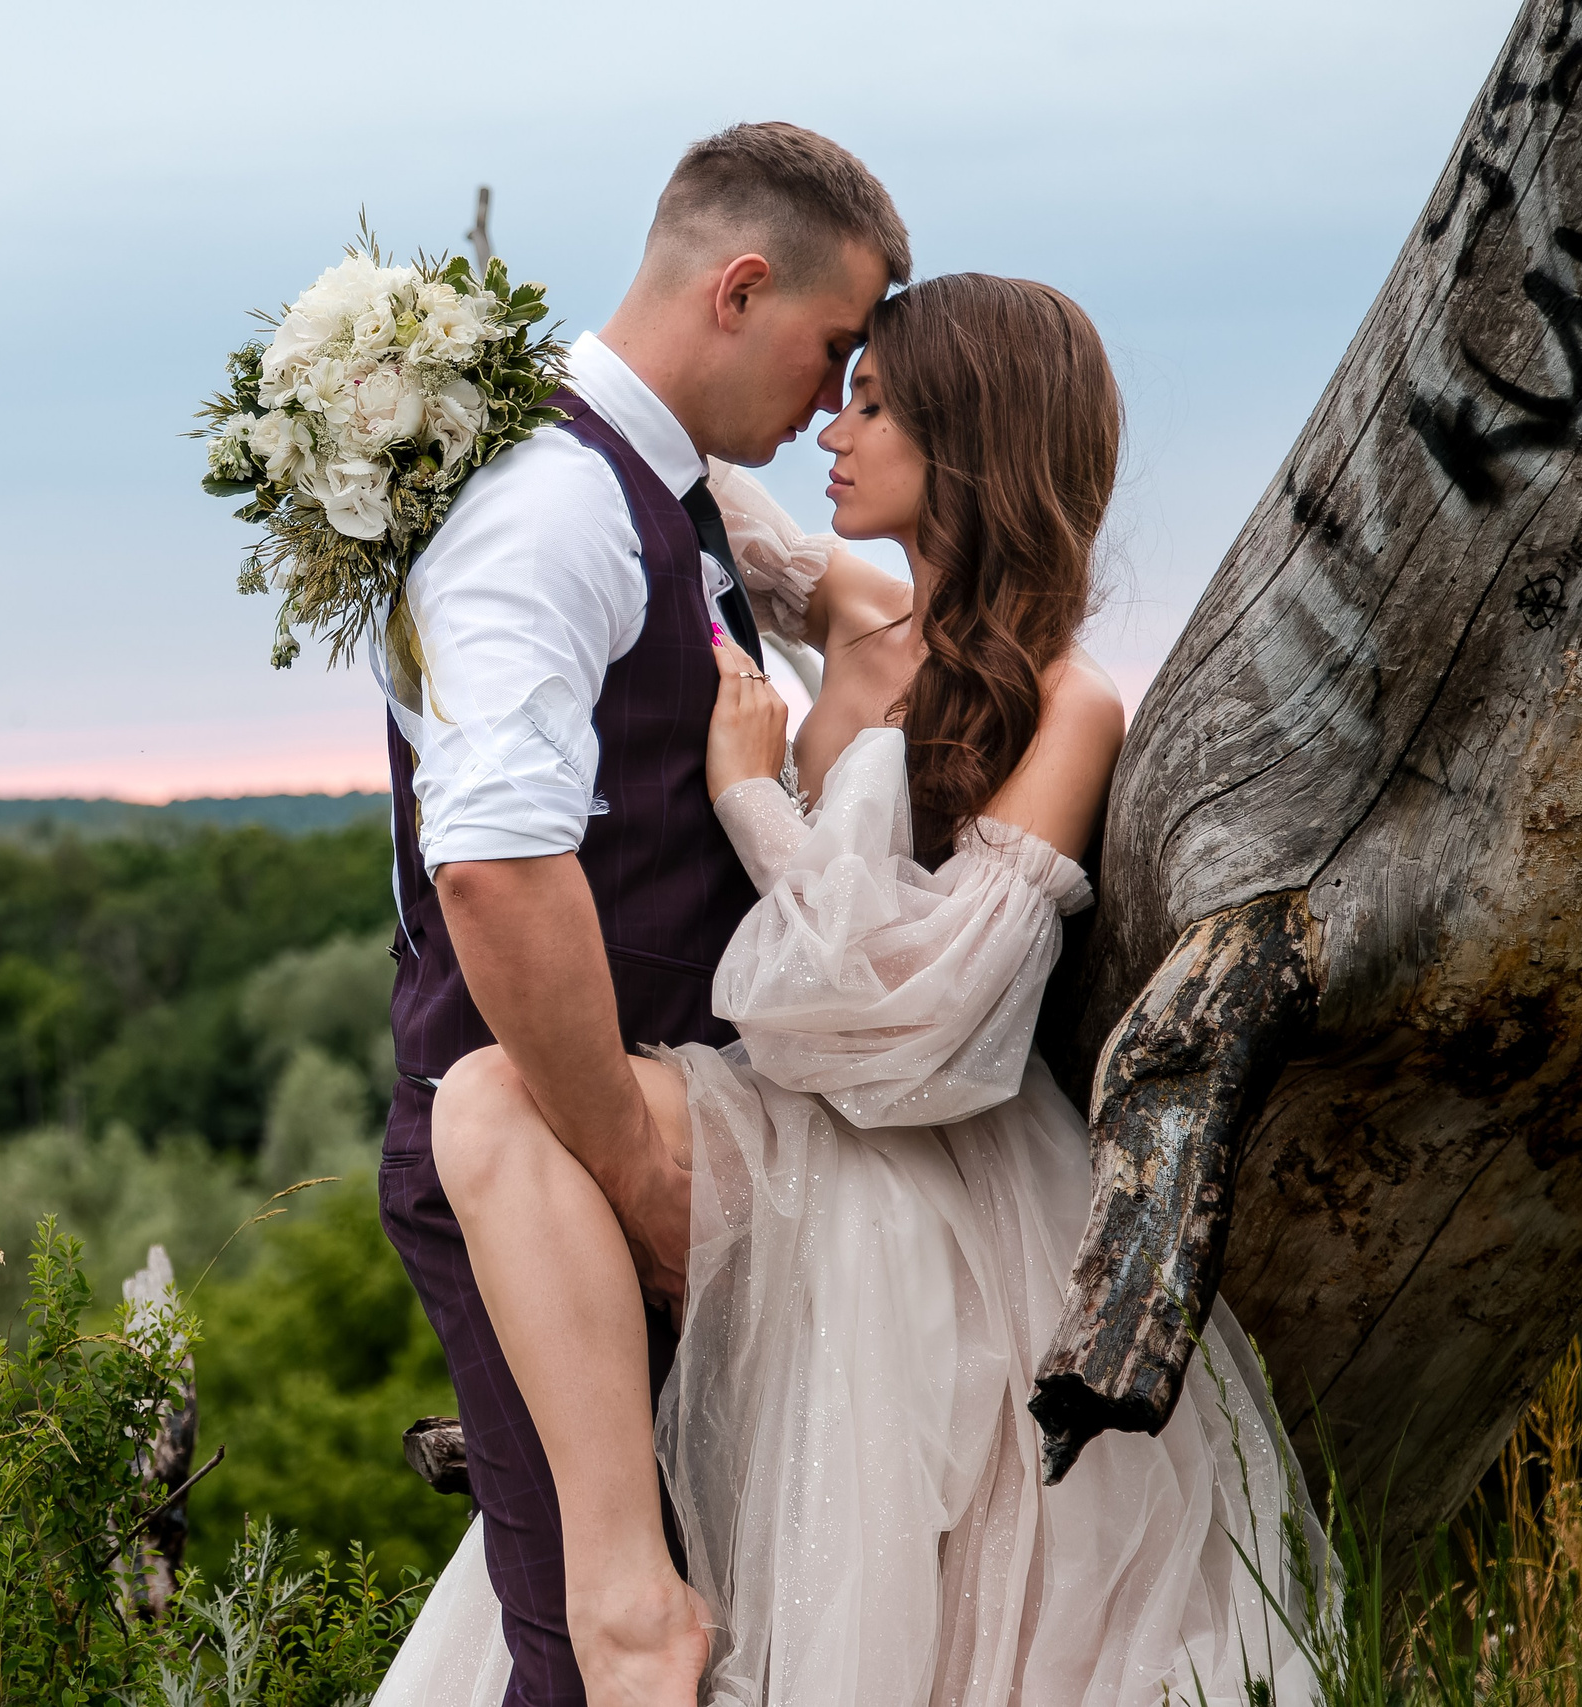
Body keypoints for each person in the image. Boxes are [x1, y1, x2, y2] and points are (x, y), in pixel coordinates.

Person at [382, 275, 1323, 1707]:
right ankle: (626, 1596)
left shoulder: (1066, 702)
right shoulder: (857, 614)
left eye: (873, 401)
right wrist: (424, 414)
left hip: (921, 1174)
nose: (833, 422)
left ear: (970, 437)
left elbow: (935, 1030)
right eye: (843, 379)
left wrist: (755, 802)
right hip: (781, 1120)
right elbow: (669, 474)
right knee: (491, 1095)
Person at [371, 122, 909, 1707]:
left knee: (698, 1629)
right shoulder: (551, 514)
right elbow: (493, 868)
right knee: (611, 1658)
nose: (831, 399)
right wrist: (627, 1161)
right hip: (546, 1154)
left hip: (633, 1142)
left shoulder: (662, 493)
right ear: (740, 287)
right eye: (830, 350)